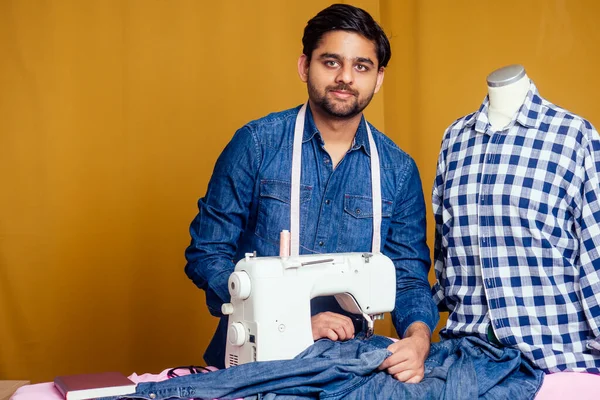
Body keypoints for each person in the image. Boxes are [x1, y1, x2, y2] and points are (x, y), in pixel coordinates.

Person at [184, 4, 438, 382]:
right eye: (331, 62)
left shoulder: (398, 171)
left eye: (362, 66)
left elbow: (409, 277)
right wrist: (290, 321)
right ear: (305, 66)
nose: (346, 78)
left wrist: (417, 339)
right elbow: (207, 253)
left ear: (379, 78)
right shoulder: (256, 145)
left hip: (349, 369)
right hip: (255, 363)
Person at [433, 64, 600, 373]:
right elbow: (444, 246)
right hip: (467, 352)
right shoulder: (455, 137)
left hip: (553, 354)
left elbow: (596, 250)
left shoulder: (573, 134)